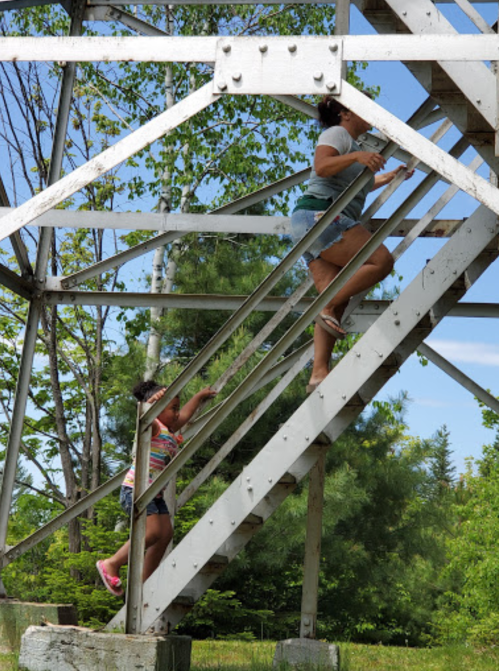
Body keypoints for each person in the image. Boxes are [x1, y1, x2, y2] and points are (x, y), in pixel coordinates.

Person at [290, 94, 414, 393]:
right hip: (322, 215)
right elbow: (322, 166)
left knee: (338, 302)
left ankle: (319, 373)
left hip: (309, 223)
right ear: (345, 114)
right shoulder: (337, 134)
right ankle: (327, 305)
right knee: (380, 262)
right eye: (363, 108)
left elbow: (361, 184)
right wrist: (358, 157)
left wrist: (391, 177)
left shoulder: (351, 144)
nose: (369, 114)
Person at [96, 380, 216, 596]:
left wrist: (199, 396)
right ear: (158, 411)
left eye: (177, 408)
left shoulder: (170, 429)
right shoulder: (153, 428)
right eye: (173, 409)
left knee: (166, 533)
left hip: (154, 493)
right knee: (153, 532)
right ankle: (111, 563)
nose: (177, 413)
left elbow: (187, 414)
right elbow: (142, 416)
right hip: (136, 490)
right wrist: (150, 404)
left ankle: (144, 583)